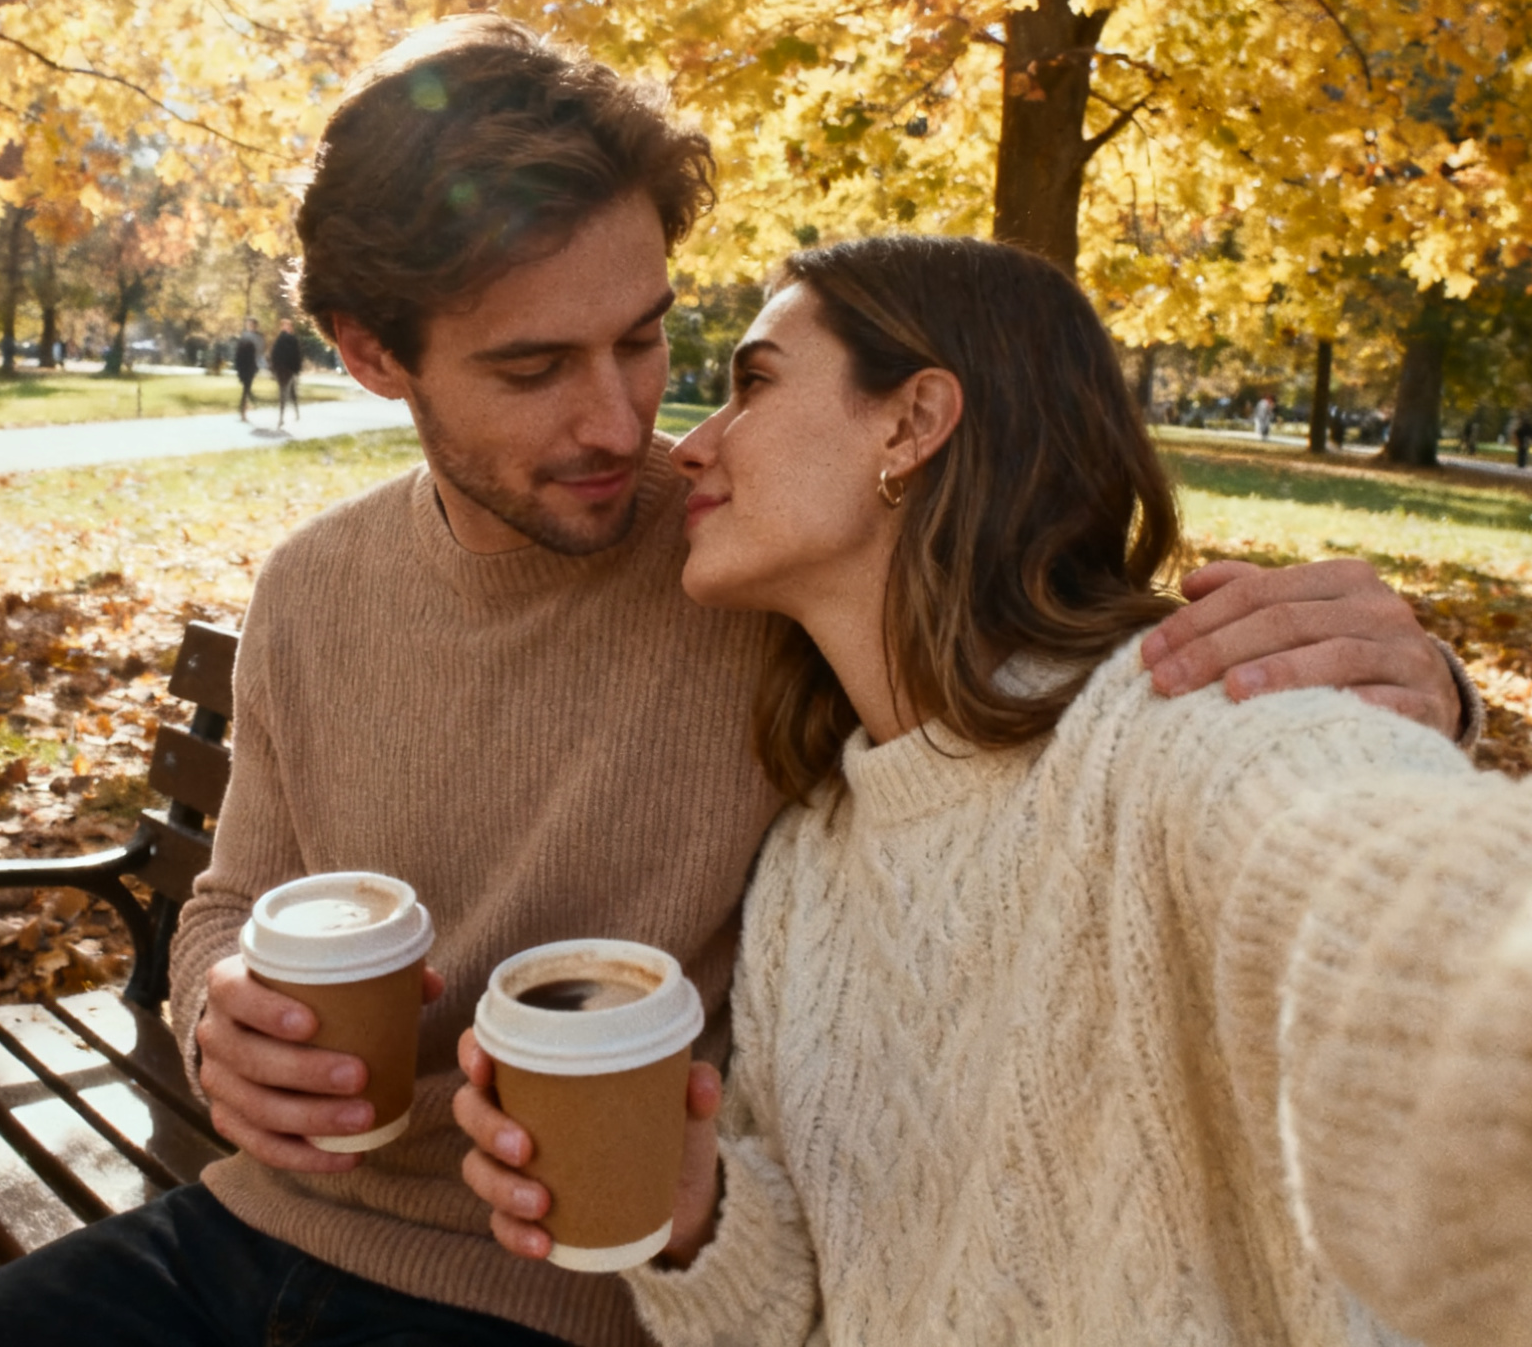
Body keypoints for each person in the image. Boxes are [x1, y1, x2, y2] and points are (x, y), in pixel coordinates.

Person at [0, 16, 1472, 1347]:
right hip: (251, 1226)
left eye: (646, 340)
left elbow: (1052, 689)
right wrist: (219, 1017)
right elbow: (225, 907)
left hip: (555, 1295)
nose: (629, 422)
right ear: (377, 359)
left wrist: (1410, 696)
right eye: (532, 369)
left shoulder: (751, 567)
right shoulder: (317, 586)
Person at [458, 235, 1529, 1345]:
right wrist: (694, 1214)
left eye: (754, 383)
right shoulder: (810, 858)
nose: (690, 445)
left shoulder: (1184, 721)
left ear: (912, 423)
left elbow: (1422, 906)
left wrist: (1417, 716)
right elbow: (805, 1306)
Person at [270, 317, 303, 428]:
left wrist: (296, 369)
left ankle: (294, 413)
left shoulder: (292, 340)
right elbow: (275, 355)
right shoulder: (281, 340)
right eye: (285, 326)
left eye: (288, 326)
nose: (287, 328)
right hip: (283, 370)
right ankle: (282, 417)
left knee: (290, 392)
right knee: (285, 393)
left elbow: (297, 356)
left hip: (289, 370)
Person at [234, 319, 263, 421]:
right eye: (248, 324)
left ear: (255, 326)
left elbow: (259, 353)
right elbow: (238, 351)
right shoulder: (243, 336)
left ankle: (243, 411)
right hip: (242, 364)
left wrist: (257, 366)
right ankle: (246, 407)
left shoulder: (258, 338)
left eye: (251, 325)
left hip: (251, 365)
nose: (249, 326)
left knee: (246, 388)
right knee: (246, 388)